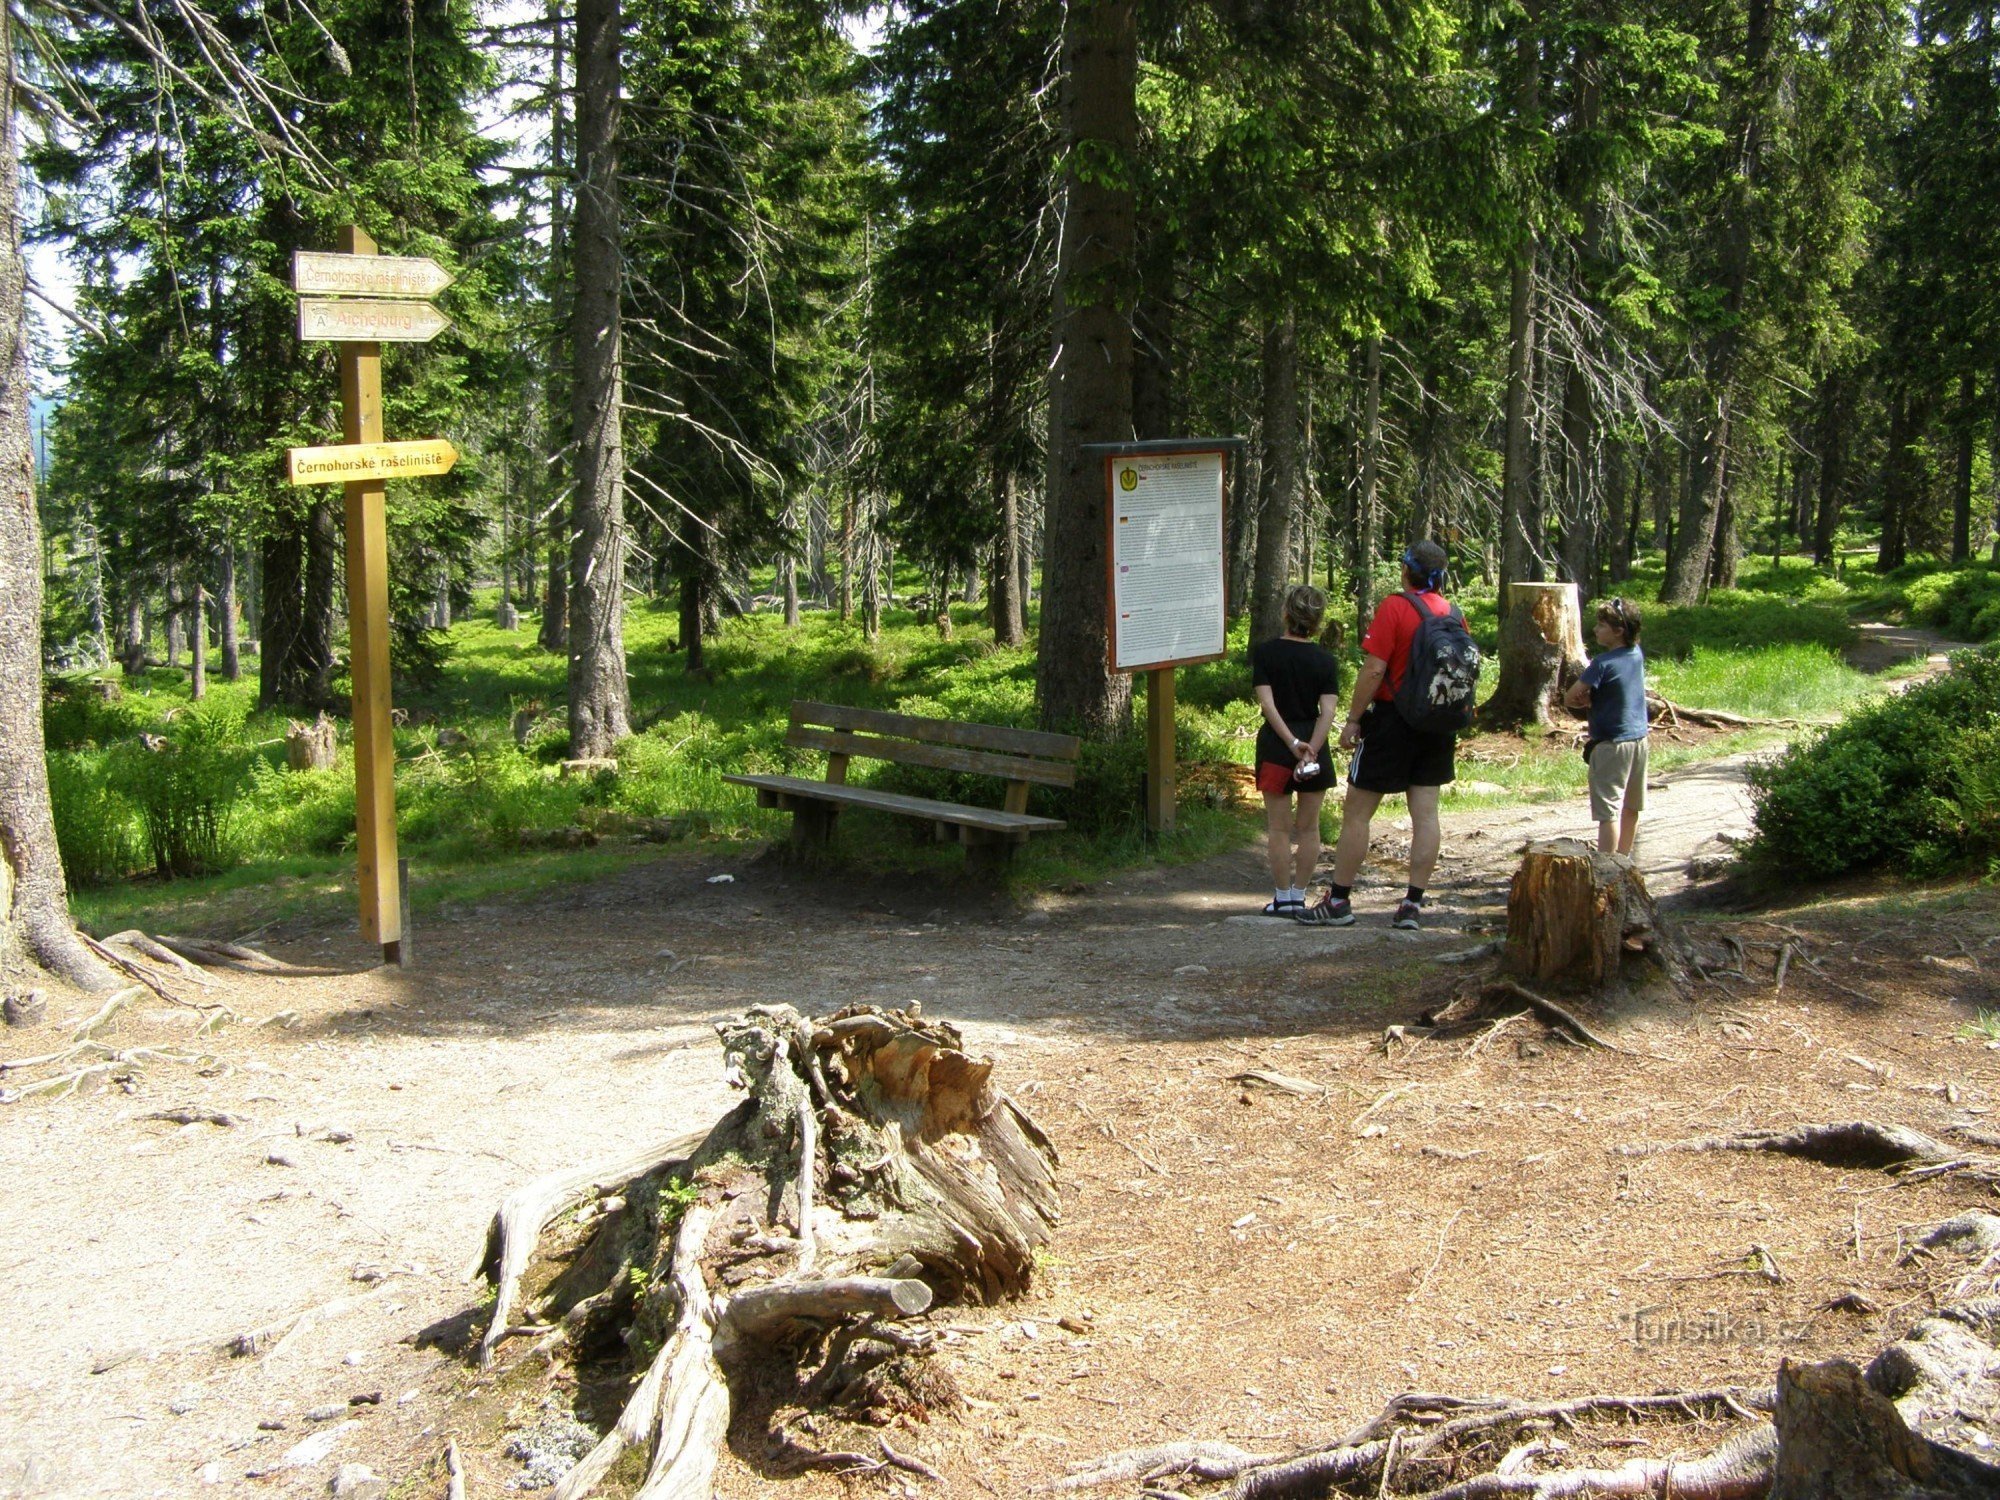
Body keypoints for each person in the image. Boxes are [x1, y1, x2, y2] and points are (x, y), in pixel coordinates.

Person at [1304, 540, 1461, 930]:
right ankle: (1412, 905)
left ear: (1407, 570)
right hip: (1438, 723)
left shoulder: (1396, 606)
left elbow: (1375, 669)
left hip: (1393, 720)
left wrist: (1353, 719)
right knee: (1426, 815)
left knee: (1357, 812)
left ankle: (1338, 901)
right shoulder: (1452, 613)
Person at [1250, 584, 1342, 917]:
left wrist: (1291, 743)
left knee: (1278, 827)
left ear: (1286, 613)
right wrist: (1311, 748)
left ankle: (1282, 897)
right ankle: (1300, 896)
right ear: (1317, 621)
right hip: (1314, 748)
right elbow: (1328, 711)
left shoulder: (1265, 653)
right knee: (1309, 827)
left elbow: (1267, 704)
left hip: (1277, 745)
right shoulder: (1325, 660)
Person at [1563, 597, 1649, 855]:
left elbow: (1569, 697)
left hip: (1611, 744)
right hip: (1639, 739)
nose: (1595, 629)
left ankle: (1606, 868)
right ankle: (1624, 862)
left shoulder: (1601, 663)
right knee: (1631, 807)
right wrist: (1595, 700)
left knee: (1608, 813)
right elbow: (1619, 690)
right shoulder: (1636, 654)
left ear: (1619, 630)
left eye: (1601, 625)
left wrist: (1583, 700)